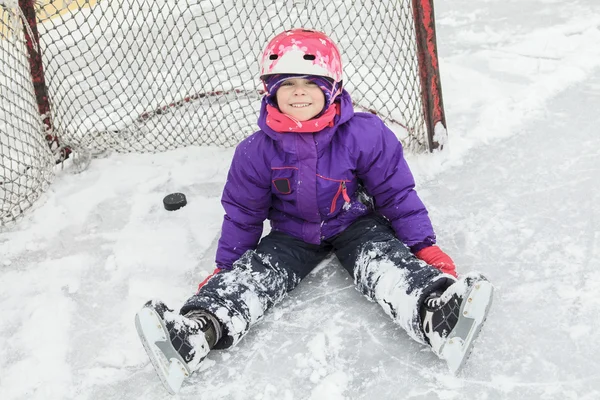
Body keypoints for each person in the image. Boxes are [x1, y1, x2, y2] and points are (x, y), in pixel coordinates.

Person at [134, 28, 493, 394]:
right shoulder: (254, 152)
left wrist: (422, 245)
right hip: (293, 234)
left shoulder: (364, 134)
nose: (299, 92)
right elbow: (243, 214)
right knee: (257, 275)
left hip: (354, 222)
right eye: (287, 83)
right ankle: (196, 332)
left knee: (383, 261)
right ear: (270, 91)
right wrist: (227, 268)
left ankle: (436, 314)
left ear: (332, 88)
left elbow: (395, 191)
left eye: (311, 82)